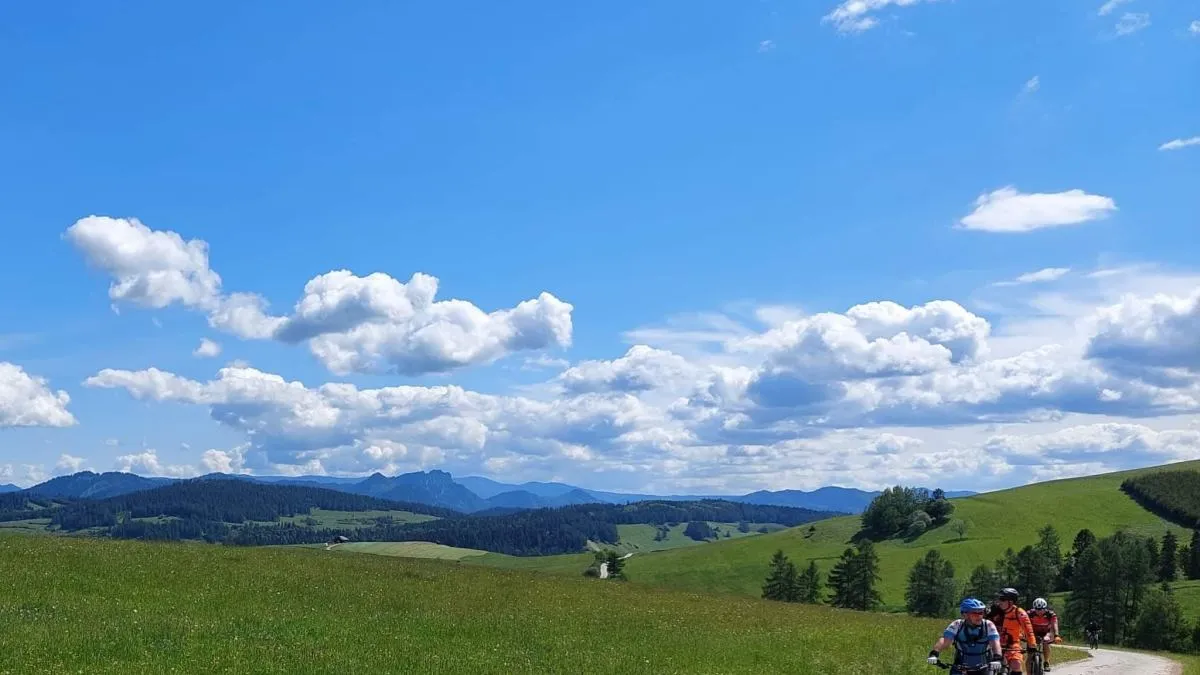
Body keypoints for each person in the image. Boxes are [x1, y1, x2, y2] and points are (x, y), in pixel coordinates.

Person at [928, 598, 1004, 673]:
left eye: (981, 613)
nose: (979, 616)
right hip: (960, 668)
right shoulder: (957, 624)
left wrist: (997, 657)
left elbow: (995, 642)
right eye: (975, 613)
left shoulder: (988, 625)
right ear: (965, 615)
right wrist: (934, 653)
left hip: (984, 668)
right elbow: (945, 641)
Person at [987, 588, 1038, 674]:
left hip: (1013, 645)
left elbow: (1028, 630)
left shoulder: (1019, 613)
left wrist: (1032, 645)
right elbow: (982, 624)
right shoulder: (994, 610)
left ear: (1011, 602)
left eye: (1002, 599)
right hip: (994, 644)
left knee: (1016, 665)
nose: (999, 602)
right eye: (999, 599)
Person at [1027, 597, 1059, 671]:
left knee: (1046, 642)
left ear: (1045, 608)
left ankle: (1046, 662)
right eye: (1037, 609)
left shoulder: (1050, 614)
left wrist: (1056, 635)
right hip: (1033, 632)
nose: (1039, 611)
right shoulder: (1029, 613)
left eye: (1041, 609)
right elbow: (1023, 623)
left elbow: (1055, 624)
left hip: (1046, 632)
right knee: (1030, 650)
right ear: (1034, 608)